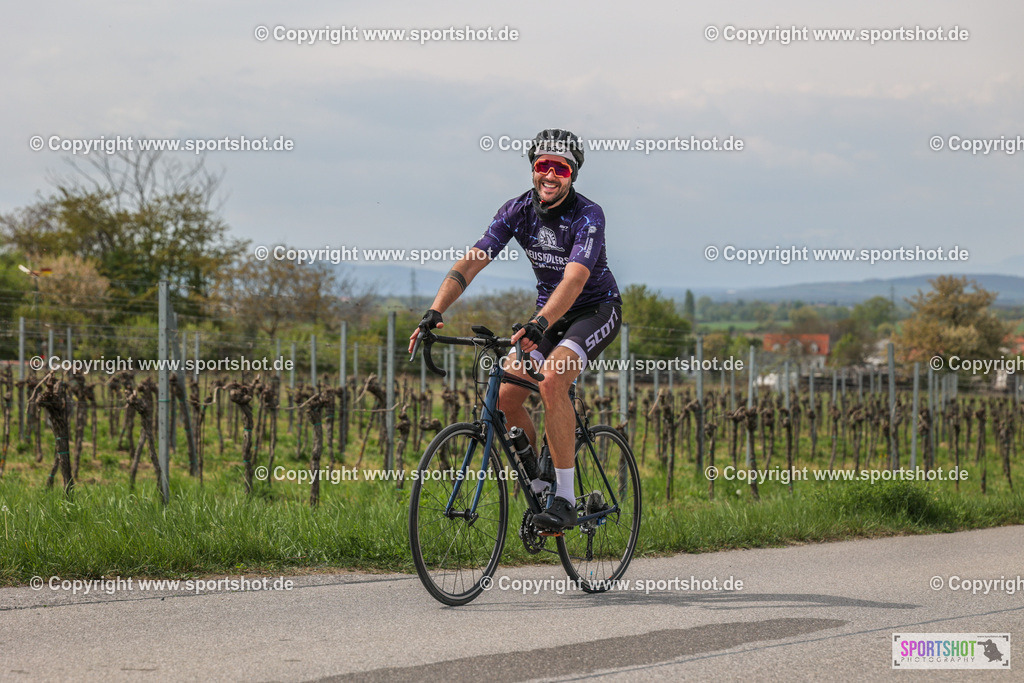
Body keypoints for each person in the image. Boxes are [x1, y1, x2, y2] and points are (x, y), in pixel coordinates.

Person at [408, 129, 622, 529]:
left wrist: (541, 323)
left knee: (553, 380)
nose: (550, 175)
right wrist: (435, 310)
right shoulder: (516, 210)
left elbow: (575, 280)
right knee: (505, 397)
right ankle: (540, 483)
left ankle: (564, 497)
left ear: (572, 174)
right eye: (543, 166)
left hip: (594, 309)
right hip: (546, 316)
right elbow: (472, 261)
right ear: (533, 170)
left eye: (560, 168)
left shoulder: (588, 215)